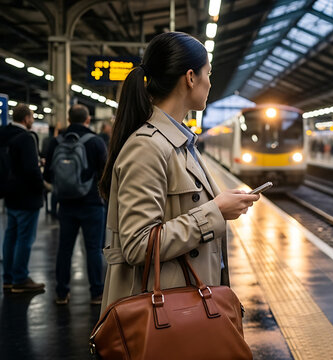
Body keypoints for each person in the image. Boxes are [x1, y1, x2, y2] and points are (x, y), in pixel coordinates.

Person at [97, 32, 258, 311]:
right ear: (190, 77)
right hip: (164, 316)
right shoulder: (147, 148)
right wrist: (215, 212)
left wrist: (219, 204)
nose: (210, 82)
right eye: (208, 73)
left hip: (185, 305)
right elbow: (138, 245)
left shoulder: (180, 144)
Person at [43, 104, 108, 305]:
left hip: (66, 204)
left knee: (65, 249)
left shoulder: (57, 142)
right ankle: (97, 293)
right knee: (93, 249)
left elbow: (48, 174)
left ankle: (62, 293)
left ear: (69, 120)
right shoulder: (96, 142)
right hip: (92, 204)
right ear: (88, 119)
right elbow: (105, 175)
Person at [0, 104, 45, 293]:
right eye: (32, 117)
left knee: (10, 236)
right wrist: (41, 187)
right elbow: (30, 170)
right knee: (24, 238)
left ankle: (8, 278)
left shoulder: (2, 133)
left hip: (8, 193)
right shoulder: (26, 138)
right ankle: (20, 279)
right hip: (27, 196)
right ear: (26, 118)